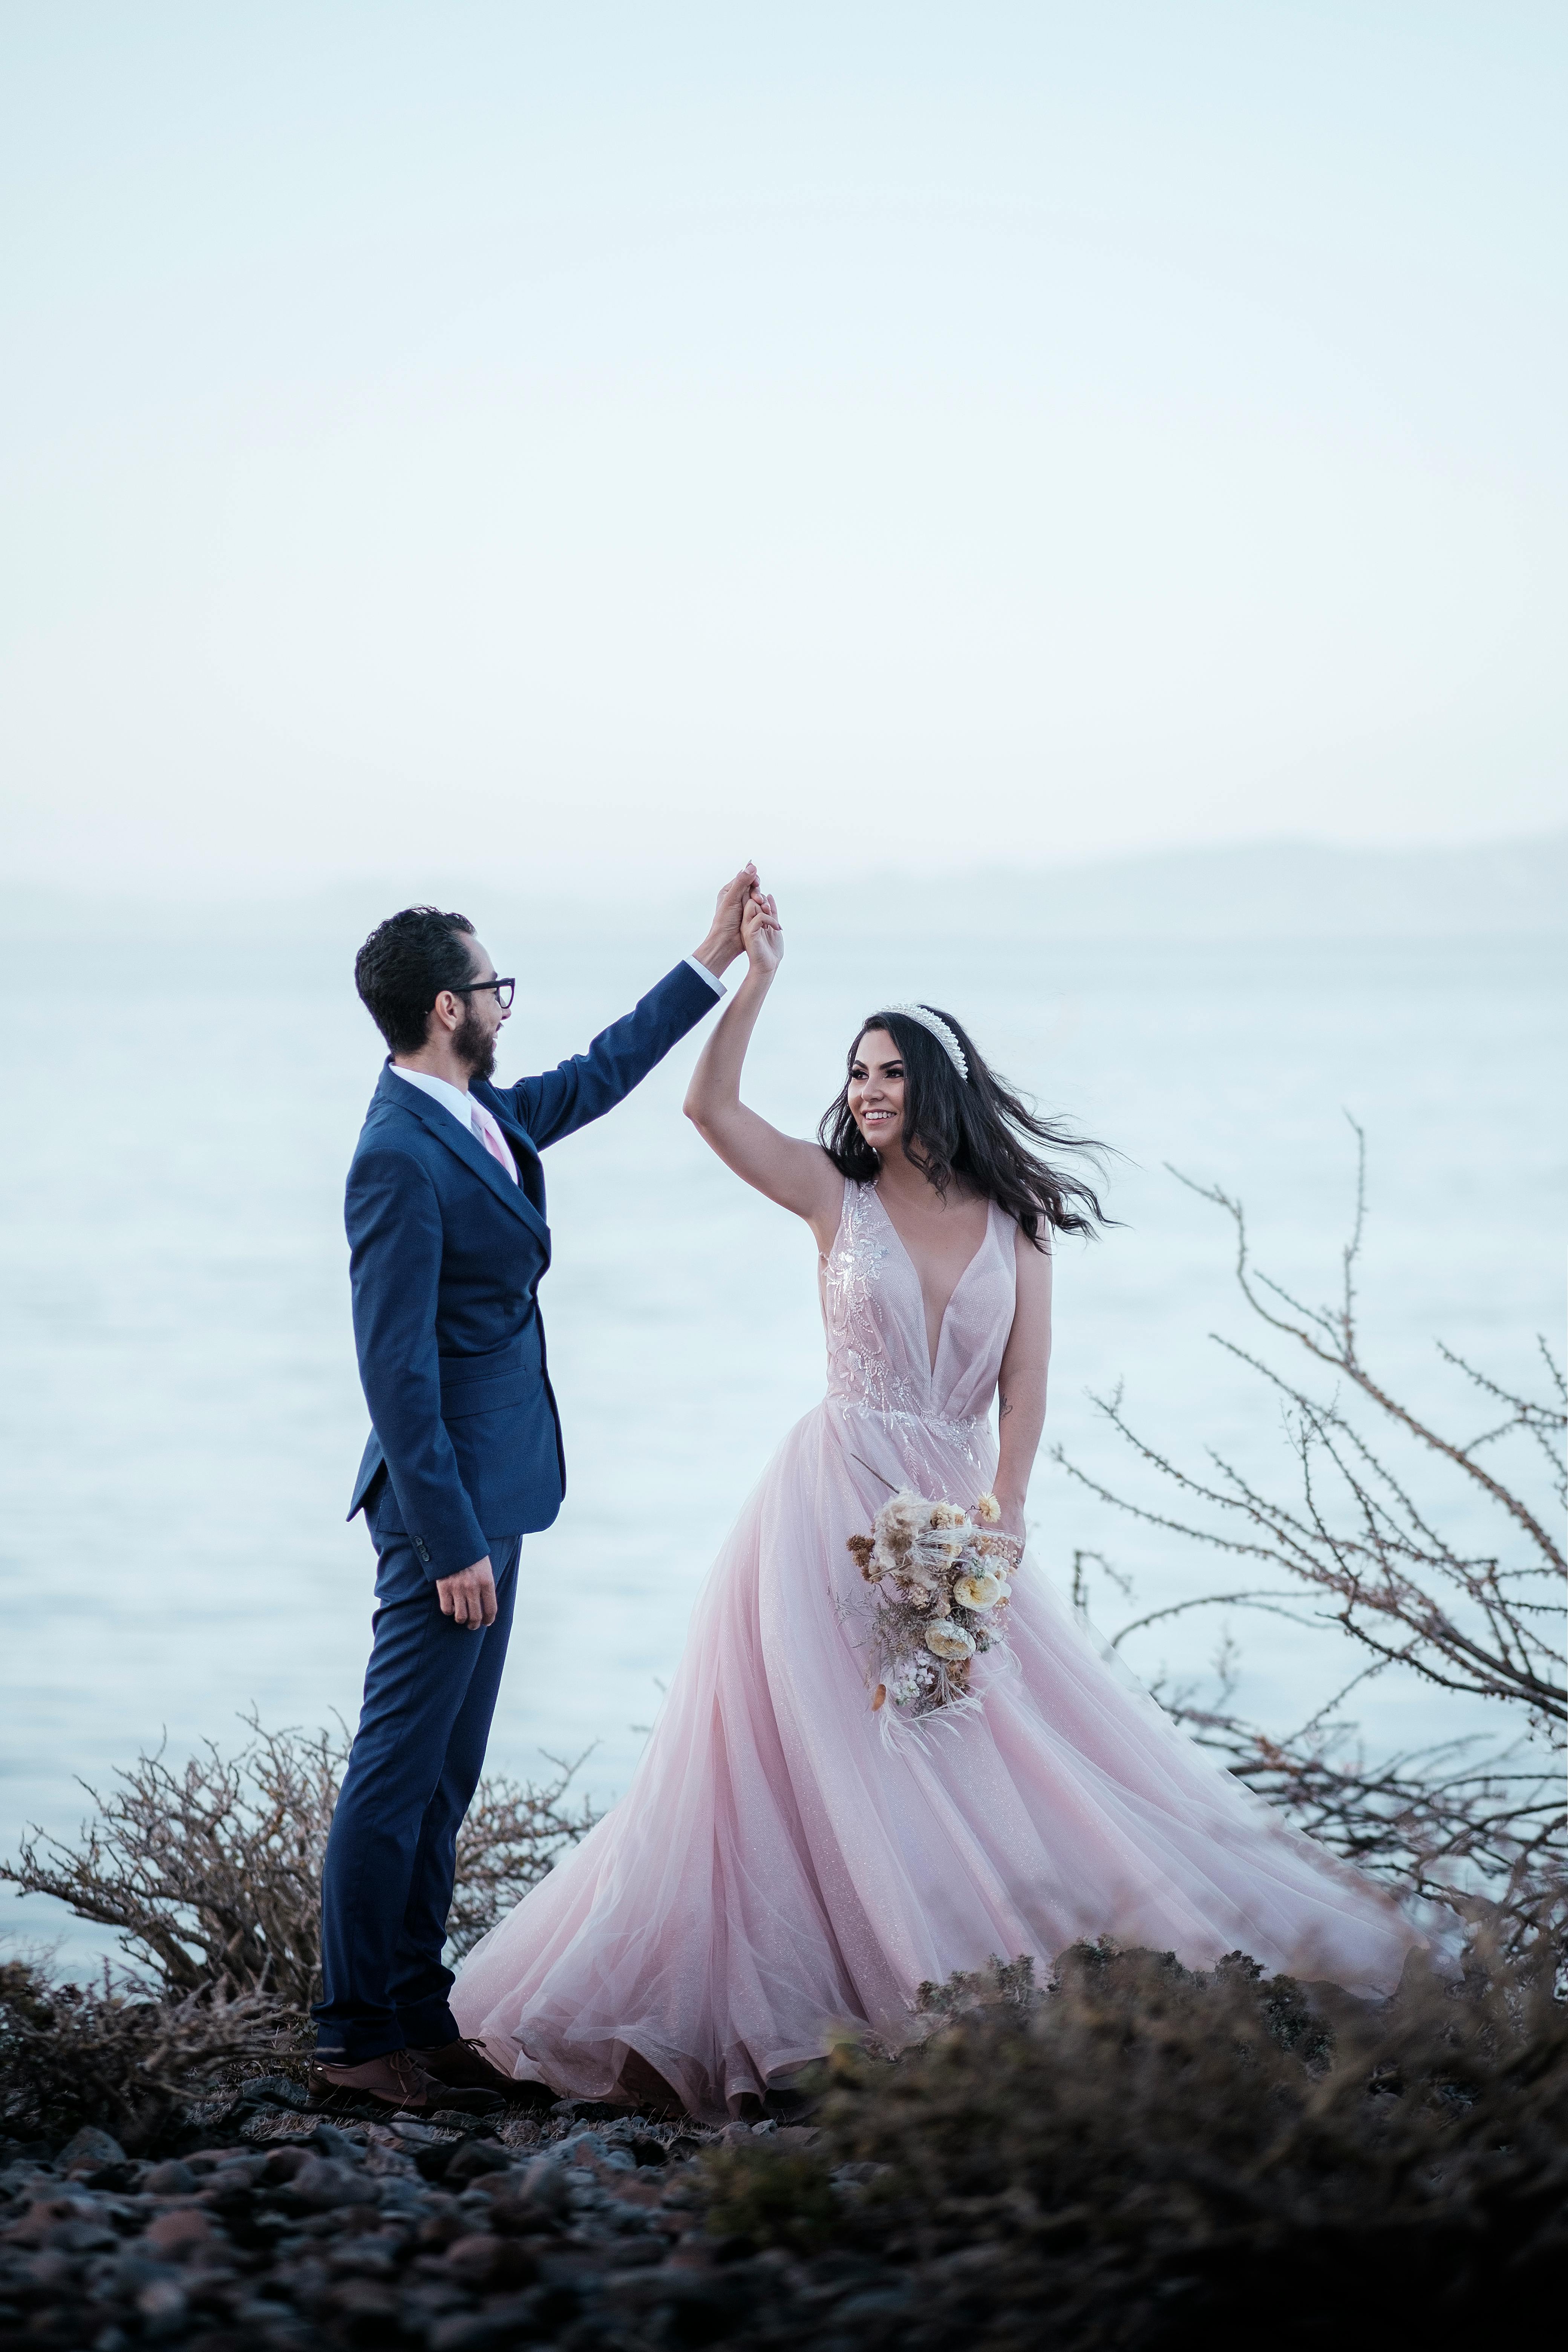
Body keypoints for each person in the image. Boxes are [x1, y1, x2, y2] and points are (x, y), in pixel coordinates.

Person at [450, 889, 1424, 2122]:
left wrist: (1001, 1524)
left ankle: (975, 1985)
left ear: (938, 1090)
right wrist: (753, 981)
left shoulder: (1019, 1227)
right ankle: (832, 2015)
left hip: (954, 1527)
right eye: (856, 1072)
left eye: (891, 1072)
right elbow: (705, 1109)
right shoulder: (828, 1195)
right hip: (824, 1511)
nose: (866, 1091)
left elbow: (1028, 1393)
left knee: (977, 1749)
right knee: (827, 1756)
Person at [309, 870, 758, 2114]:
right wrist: (452, 1541)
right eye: (497, 986)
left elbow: (602, 1075)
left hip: (498, 1493)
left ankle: (416, 2014)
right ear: (450, 1007)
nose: (509, 1003)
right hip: (442, 1515)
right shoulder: (397, 1155)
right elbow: (393, 1373)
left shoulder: (475, 1111)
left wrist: (708, 960)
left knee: (446, 1776)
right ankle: (353, 2039)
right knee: (396, 1774)